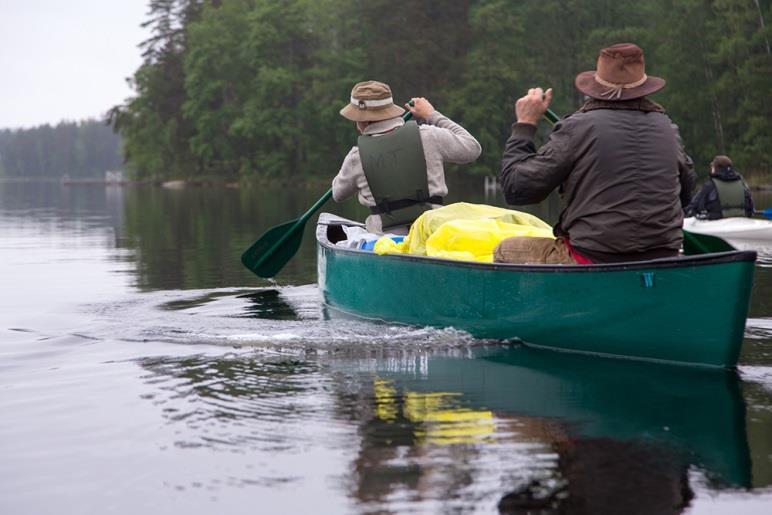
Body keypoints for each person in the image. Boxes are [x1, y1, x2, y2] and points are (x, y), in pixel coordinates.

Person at [494, 43, 696, 264]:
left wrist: (525, 124)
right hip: (663, 259)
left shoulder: (579, 127)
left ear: (597, 87)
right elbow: (686, 195)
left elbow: (517, 189)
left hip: (593, 258)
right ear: (643, 87)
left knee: (505, 249)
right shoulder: (667, 127)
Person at [332, 80, 482, 234]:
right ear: (389, 111)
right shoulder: (429, 135)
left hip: (385, 243)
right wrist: (432, 115)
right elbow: (473, 148)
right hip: (432, 235)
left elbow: (338, 194)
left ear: (363, 120)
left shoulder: (356, 157)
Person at [685, 155, 754, 219]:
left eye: (712, 167)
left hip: (716, 224)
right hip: (741, 221)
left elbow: (693, 207)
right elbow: (751, 208)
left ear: (715, 169)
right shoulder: (742, 183)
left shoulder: (710, 185)